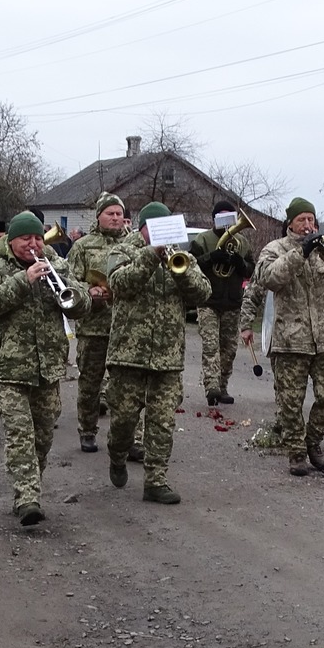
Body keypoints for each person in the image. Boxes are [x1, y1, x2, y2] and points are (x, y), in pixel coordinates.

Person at [0, 210, 89, 525]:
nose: (33, 243)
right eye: (26, 238)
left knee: (43, 435)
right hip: (6, 368)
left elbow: (83, 304)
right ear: (12, 240)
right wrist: (23, 280)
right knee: (20, 432)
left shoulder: (58, 264)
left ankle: (29, 486)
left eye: (37, 237)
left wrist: (69, 292)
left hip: (47, 367)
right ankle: (27, 498)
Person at [103, 200, 210, 504]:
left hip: (167, 357)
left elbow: (203, 293)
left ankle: (156, 480)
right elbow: (119, 284)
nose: (163, 236)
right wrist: (150, 257)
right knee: (124, 420)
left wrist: (181, 271)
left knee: (162, 422)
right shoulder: (122, 250)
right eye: (156, 229)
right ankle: (117, 453)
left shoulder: (183, 256)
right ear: (143, 229)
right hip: (128, 355)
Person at [247, 196, 324, 476]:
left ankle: (313, 441)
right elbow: (269, 278)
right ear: (290, 224)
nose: (308, 225)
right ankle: (295, 453)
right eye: (301, 220)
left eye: (311, 220)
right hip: (290, 339)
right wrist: (301, 252)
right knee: (290, 403)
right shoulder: (274, 249)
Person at [66, 192, 131, 451]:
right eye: (110, 213)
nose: (116, 218)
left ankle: (124, 437)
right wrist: (89, 292)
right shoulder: (83, 246)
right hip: (93, 327)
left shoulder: (134, 243)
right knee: (90, 382)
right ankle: (88, 429)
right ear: (99, 216)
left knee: (125, 388)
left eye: (119, 214)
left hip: (126, 328)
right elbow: (70, 281)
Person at [191, 200, 253, 405]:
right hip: (208, 300)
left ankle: (223, 387)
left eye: (230, 216)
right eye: (222, 216)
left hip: (233, 302)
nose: (227, 221)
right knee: (211, 346)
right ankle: (212, 388)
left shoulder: (242, 242)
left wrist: (239, 262)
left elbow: (251, 269)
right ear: (214, 218)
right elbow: (192, 264)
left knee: (229, 349)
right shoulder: (202, 239)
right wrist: (212, 257)